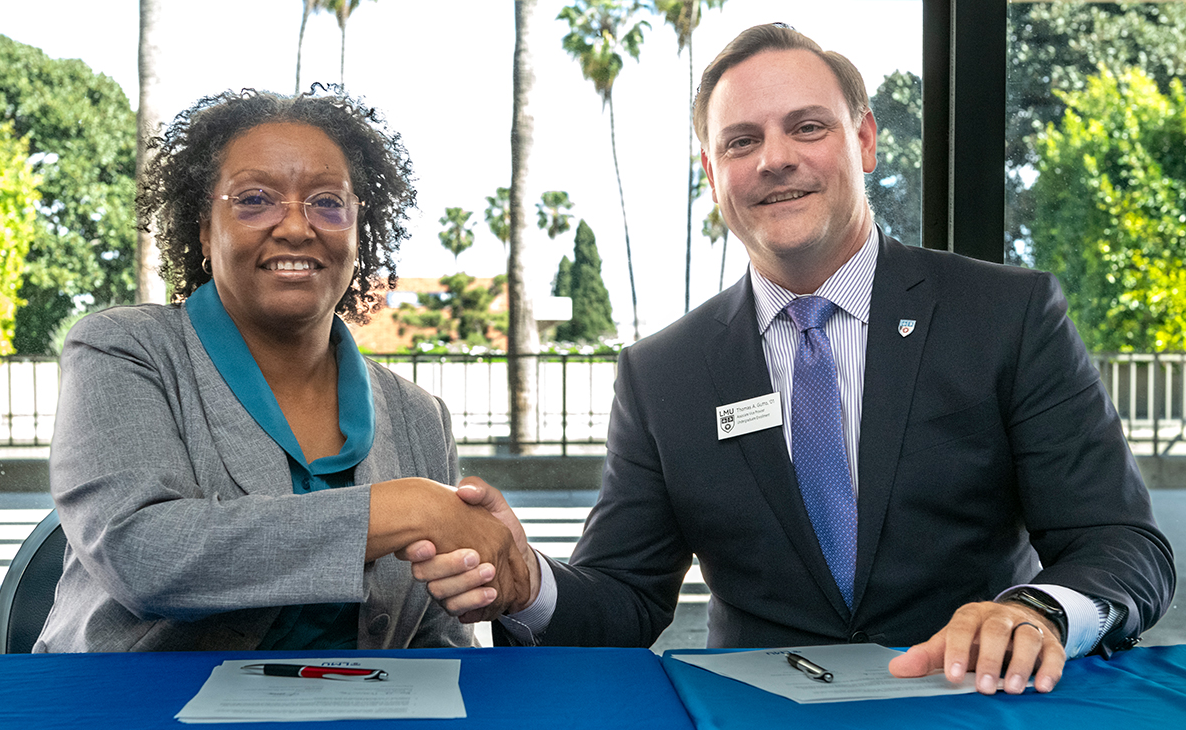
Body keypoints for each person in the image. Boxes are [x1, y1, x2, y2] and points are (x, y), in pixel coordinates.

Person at [403, 24, 1175, 695]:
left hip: (968, 702)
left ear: (864, 141)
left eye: (808, 127)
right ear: (713, 173)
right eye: (741, 141)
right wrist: (529, 583)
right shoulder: (663, 374)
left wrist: (1038, 611)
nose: (775, 159)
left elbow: (1122, 545)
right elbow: (625, 599)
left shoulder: (1007, 315)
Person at [34, 87, 530, 653]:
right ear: (204, 229)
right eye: (254, 199)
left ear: (358, 231)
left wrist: (486, 584)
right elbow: (142, 553)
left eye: (327, 202)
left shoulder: (420, 417)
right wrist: (408, 508)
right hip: (134, 698)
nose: (296, 227)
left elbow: (435, 639)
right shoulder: (125, 350)